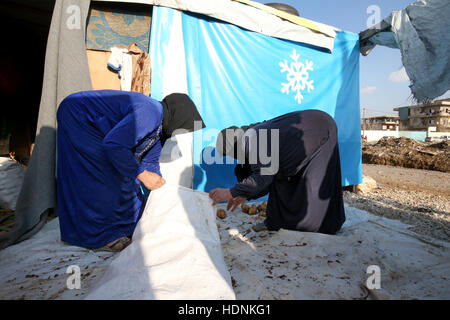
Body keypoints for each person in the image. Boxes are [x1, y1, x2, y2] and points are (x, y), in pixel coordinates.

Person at [56, 90, 204, 251]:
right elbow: (114, 146)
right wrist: (142, 174)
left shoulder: (161, 130)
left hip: (97, 125)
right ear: (178, 118)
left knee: (128, 172)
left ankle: (128, 227)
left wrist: (160, 193)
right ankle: (100, 237)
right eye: (185, 128)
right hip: (78, 114)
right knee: (104, 174)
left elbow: (150, 162)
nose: (183, 132)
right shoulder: (150, 113)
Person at [209, 109, 345, 234]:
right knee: (280, 176)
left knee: (314, 186)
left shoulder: (251, 140)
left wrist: (229, 192)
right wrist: (245, 194)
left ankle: (322, 225)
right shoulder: (251, 135)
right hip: (314, 126)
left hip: (320, 130)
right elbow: (267, 176)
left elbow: (263, 177)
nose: (233, 158)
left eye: (230, 154)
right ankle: (275, 223)